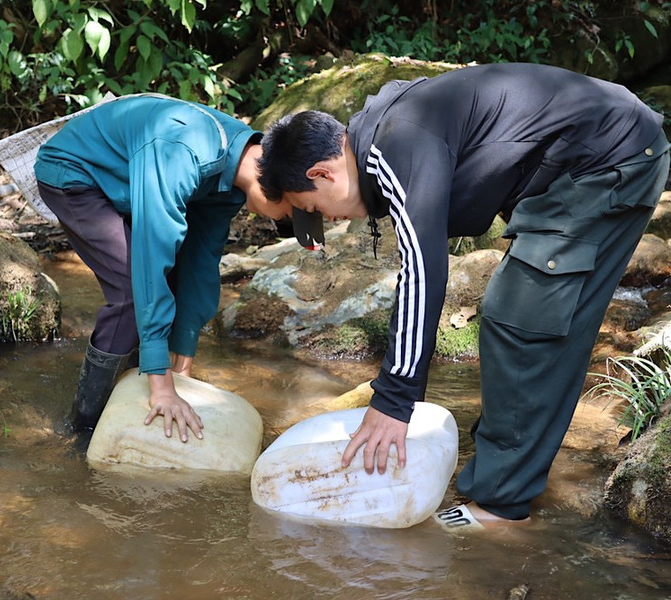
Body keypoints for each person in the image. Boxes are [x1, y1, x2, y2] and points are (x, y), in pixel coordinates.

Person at [257, 63, 670, 526]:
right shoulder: (384, 132)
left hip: (611, 158)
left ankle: (500, 506)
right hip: (580, 164)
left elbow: (422, 270)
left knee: (520, 318)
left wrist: (394, 401)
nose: (327, 221)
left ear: (324, 172)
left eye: (313, 208)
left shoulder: (398, 145)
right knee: (529, 312)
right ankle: (509, 478)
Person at [34, 94, 292, 443]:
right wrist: (163, 384)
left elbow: (201, 262)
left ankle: (133, 382)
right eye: (290, 214)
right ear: (277, 187)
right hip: (77, 172)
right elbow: (150, 257)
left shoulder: (240, 169)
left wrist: (182, 362)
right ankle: (82, 429)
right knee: (129, 290)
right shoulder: (184, 153)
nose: (281, 221)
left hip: (131, 177)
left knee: (169, 276)